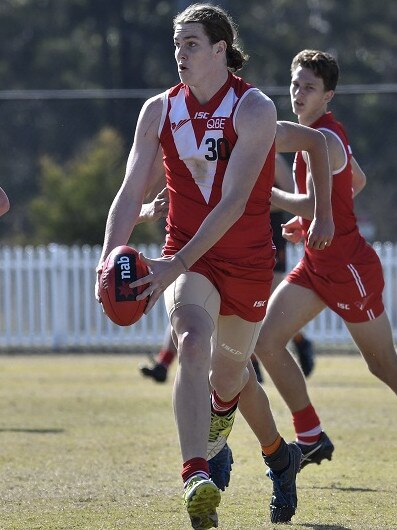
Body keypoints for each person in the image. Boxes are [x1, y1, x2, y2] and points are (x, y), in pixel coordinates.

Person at [96, 5, 333, 527]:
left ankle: (278, 455)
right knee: (192, 344)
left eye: (192, 45)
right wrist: (109, 256)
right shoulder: (158, 111)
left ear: (221, 49)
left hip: (245, 262)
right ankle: (195, 475)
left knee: (232, 381)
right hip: (189, 258)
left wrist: (169, 265)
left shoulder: (254, 109)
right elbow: (130, 190)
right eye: (177, 45)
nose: (180, 54)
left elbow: (232, 203)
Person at [216, 49, 397, 490]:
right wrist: (316, 218)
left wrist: (270, 197)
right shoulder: (312, 134)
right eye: (295, 84)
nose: (298, 93)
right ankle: (311, 436)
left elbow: (323, 197)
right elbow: (355, 182)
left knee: (382, 367)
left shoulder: (326, 139)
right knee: (266, 341)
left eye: (309, 88)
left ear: (328, 95)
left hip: (351, 267)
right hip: (318, 267)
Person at [139, 154, 316, 384]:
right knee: (193, 301)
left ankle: (299, 342)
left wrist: (256, 199)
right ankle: (166, 363)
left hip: (268, 234)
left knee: (264, 301)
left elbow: (295, 197)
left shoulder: (273, 158)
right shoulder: (222, 152)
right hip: (229, 235)